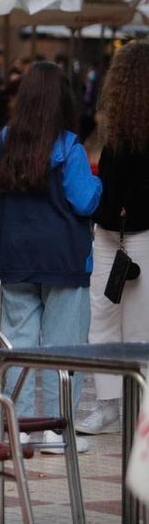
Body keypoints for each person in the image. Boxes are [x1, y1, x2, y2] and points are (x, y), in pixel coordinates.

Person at [0, 62, 101, 451]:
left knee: (17, 344)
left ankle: (15, 425)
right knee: (63, 347)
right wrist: (98, 184)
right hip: (64, 259)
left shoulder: (2, 142)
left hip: (15, 256)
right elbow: (85, 201)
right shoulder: (70, 147)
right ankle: (55, 429)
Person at [82, 42, 149, 435]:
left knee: (121, 321)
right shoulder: (117, 128)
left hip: (127, 234)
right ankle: (111, 403)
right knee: (108, 316)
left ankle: (132, 405)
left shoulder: (121, 130)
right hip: (113, 234)